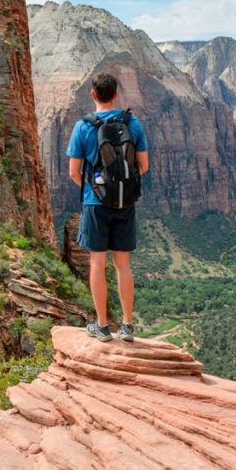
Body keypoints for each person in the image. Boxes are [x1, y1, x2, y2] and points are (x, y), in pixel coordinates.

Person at [66, 72, 149, 342]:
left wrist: (96, 188)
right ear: (115, 94)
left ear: (93, 94)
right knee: (123, 265)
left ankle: (101, 326)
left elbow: (73, 172)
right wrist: (119, 188)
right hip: (125, 202)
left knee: (97, 263)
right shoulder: (132, 123)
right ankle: (127, 326)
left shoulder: (83, 127)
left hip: (94, 202)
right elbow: (143, 167)